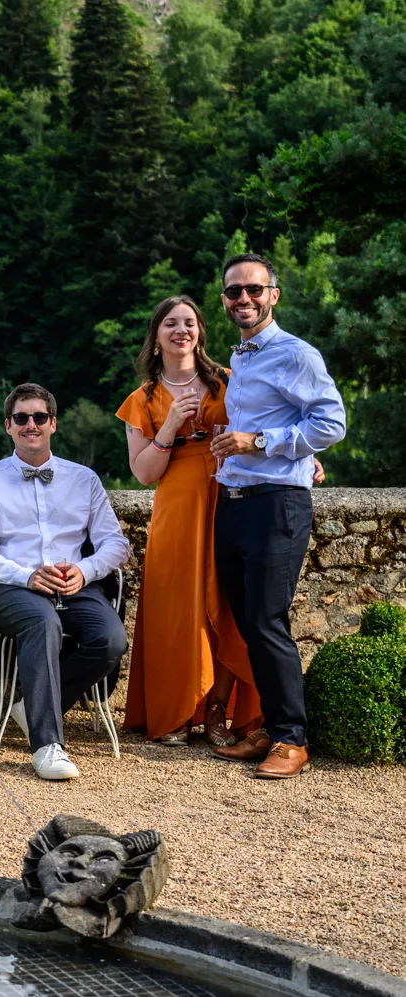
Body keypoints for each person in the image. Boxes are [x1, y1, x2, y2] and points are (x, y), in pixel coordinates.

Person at [208, 253, 346, 779]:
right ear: (224, 299)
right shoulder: (240, 358)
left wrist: (261, 441)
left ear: (274, 295)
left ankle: (292, 739)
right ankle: (270, 725)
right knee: (247, 622)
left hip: (277, 506)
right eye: (234, 291)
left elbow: (331, 423)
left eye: (253, 290)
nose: (243, 298)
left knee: (267, 620)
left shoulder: (295, 354)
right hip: (235, 503)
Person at [0, 383, 131, 781]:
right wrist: (25, 575)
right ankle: (46, 746)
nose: (31, 425)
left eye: (39, 417)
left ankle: (33, 706)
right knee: (43, 622)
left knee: (111, 640)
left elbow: (116, 543)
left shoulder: (84, 479)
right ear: (9, 426)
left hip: (74, 583)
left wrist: (85, 571)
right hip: (12, 587)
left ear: (53, 424)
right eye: (21, 418)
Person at [117, 295, 263, 748]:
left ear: (200, 332)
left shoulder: (228, 383)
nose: (182, 330)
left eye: (190, 323)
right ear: (156, 337)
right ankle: (175, 710)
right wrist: (168, 428)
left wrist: (305, 457)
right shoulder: (141, 399)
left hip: (229, 494)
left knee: (232, 601)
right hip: (177, 504)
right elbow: (143, 474)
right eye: (171, 324)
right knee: (177, 610)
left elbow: (267, 425)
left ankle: (220, 706)